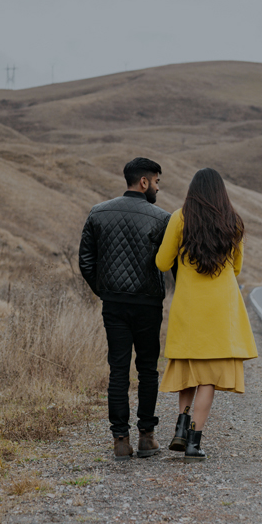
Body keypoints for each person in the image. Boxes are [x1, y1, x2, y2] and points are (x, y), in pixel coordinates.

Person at [155, 167, 258, 462]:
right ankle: (193, 443)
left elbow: (162, 263)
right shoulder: (233, 222)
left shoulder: (179, 217)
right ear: (221, 192)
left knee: (188, 371)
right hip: (220, 309)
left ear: (192, 191)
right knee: (208, 378)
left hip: (189, 307)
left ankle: (181, 427)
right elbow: (236, 269)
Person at [79, 157, 170, 461]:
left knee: (118, 371)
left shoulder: (98, 213)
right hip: (148, 305)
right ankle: (146, 438)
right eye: (156, 182)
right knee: (147, 370)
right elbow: (169, 263)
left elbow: (86, 262)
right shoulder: (162, 218)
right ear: (144, 182)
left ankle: (120, 441)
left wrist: (105, 292)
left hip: (114, 305)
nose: (157, 187)